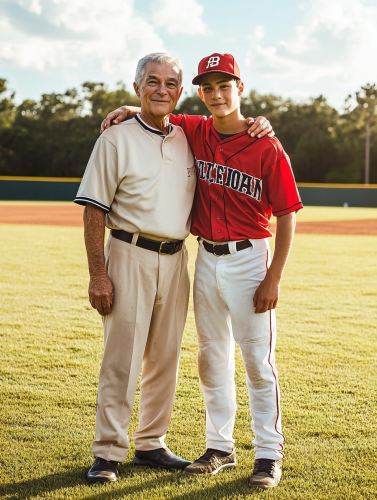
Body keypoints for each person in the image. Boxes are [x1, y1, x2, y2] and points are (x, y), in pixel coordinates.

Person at [101, 52, 303, 489]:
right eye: (207, 87)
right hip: (206, 258)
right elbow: (158, 111)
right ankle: (220, 447)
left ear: (240, 87)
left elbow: (287, 213)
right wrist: (132, 108)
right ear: (200, 93)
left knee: (257, 362)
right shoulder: (195, 130)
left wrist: (275, 277)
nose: (215, 94)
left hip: (251, 259)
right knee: (211, 358)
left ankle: (268, 453)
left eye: (224, 85)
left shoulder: (266, 144)